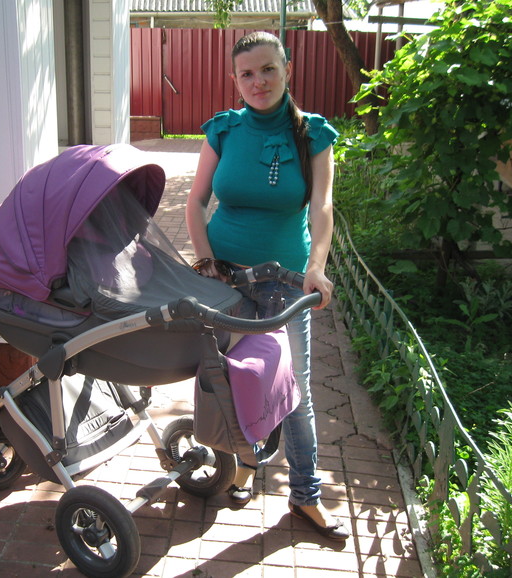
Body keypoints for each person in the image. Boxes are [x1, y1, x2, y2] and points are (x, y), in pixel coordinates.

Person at [185, 31, 350, 541]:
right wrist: (206, 261)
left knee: (293, 390)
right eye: (247, 74)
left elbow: (322, 206)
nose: (258, 81)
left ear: (287, 70)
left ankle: (305, 495)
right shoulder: (223, 130)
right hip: (225, 281)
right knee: (234, 378)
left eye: (268, 69)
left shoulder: (312, 133)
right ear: (235, 80)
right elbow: (196, 202)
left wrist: (317, 266)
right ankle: (247, 464)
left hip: (285, 283)